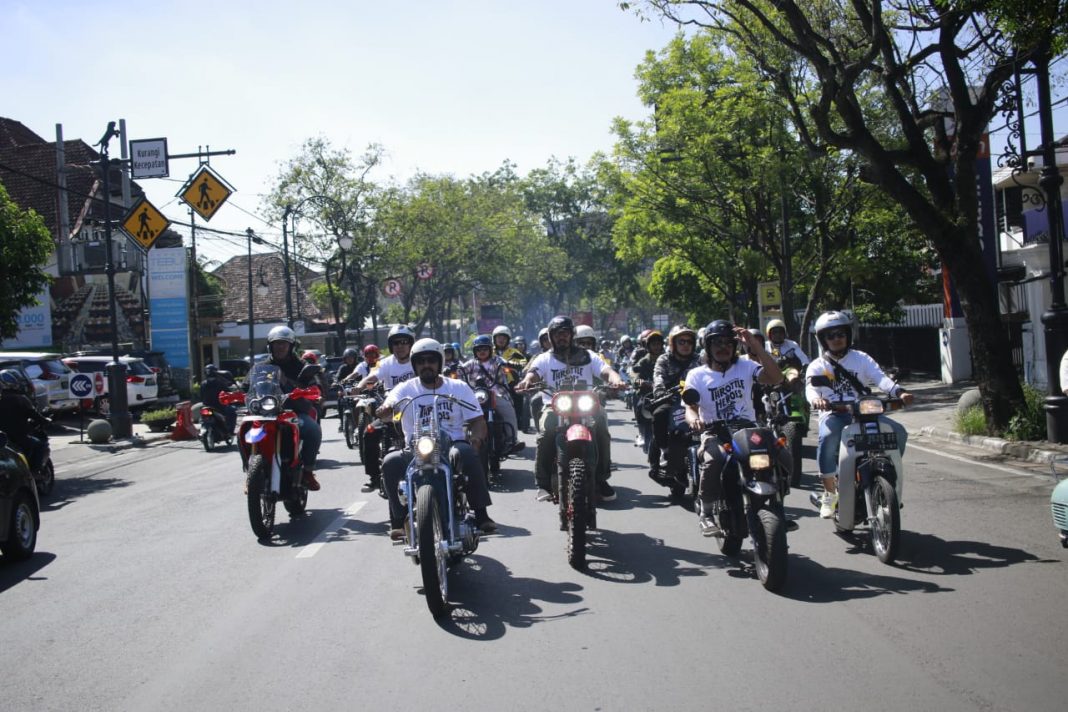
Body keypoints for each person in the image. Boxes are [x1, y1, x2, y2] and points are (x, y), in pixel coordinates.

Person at [377, 338, 497, 539]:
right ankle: (399, 520)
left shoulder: (458, 387)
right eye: (421, 361)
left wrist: (476, 440)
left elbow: (477, 420)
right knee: (390, 461)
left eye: (431, 360)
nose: (426, 365)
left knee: (466, 453)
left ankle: (481, 514)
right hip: (415, 447)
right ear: (414, 365)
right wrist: (384, 409)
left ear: (440, 362)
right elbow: (389, 406)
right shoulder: (404, 388)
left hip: (451, 444)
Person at [805, 310, 913, 518]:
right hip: (834, 414)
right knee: (827, 437)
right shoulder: (818, 365)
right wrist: (816, 400)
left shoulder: (861, 358)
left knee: (899, 432)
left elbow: (880, 378)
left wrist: (900, 393)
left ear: (848, 334)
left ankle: (888, 478)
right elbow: (810, 389)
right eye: (830, 335)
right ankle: (829, 493)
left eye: (840, 333)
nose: (836, 339)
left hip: (864, 411)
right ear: (823, 339)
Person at [683, 320, 784, 535]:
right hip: (714, 431)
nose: (723, 347)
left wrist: (755, 346)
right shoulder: (696, 375)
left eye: (728, 343)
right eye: (717, 343)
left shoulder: (746, 365)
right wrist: (694, 420)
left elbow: (776, 377)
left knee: (781, 455)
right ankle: (706, 513)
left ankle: (777, 505)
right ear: (707, 346)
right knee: (714, 460)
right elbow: (690, 408)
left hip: (748, 429)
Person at [515, 315, 626, 503]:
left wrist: (617, 380)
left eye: (565, 333)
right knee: (546, 432)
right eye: (557, 334)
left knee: (601, 425)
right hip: (554, 405)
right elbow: (533, 374)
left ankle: (601, 478)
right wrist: (526, 381)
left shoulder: (587, 356)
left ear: (571, 335)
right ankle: (543, 483)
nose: (562, 337)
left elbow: (606, 371)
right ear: (551, 337)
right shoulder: (544, 358)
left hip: (586, 404)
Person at [263, 326, 323, 491]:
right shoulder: (262, 366)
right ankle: (250, 473)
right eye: (276, 344)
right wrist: (239, 393)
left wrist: (311, 391)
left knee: (312, 430)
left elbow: (315, 385)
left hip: (294, 412)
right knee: (244, 432)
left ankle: (308, 471)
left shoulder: (301, 366)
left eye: (284, 344)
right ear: (270, 346)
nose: (280, 347)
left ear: (291, 346)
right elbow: (247, 385)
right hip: (265, 413)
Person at [650, 325, 702, 483]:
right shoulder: (664, 359)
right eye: (681, 341)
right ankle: (664, 451)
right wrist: (660, 391)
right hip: (671, 399)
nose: (686, 345)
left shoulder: (699, 359)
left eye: (689, 341)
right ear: (673, 344)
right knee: (659, 414)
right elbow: (658, 377)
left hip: (697, 400)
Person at [459, 335, 524, 452]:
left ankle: (512, 440)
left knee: (508, 409)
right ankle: (461, 441)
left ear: (490, 350)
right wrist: (451, 369)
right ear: (475, 351)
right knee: (462, 413)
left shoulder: (497, 360)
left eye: (485, 349)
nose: (482, 352)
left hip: (497, 394)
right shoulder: (471, 363)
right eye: (479, 349)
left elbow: (505, 362)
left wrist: (512, 364)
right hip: (475, 395)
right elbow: (460, 370)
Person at [0, 368, 50, 473]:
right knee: (40, 445)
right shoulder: (20, 399)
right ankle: (34, 472)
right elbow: (34, 415)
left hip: (3, 438)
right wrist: (45, 421)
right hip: (18, 436)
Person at [629, 329, 664, 455]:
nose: (656, 347)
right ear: (648, 346)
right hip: (648, 393)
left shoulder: (667, 358)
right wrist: (639, 381)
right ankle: (643, 432)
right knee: (640, 406)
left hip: (666, 393)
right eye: (654, 344)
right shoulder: (644, 360)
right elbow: (634, 373)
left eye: (658, 344)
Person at [353, 325, 416, 392]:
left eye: (404, 342)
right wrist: (359, 388)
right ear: (391, 346)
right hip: (392, 398)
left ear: (411, 345)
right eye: (396, 343)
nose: (399, 346)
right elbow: (371, 378)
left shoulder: (419, 361)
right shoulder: (382, 363)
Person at [200, 363, 237, 434]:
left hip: (207, 406)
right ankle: (230, 431)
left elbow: (201, 397)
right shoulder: (220, 383)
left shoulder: (203, 384)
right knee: (232, 411)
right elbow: (228, 393)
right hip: (219, 407)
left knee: (202, 418)